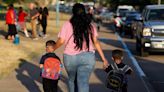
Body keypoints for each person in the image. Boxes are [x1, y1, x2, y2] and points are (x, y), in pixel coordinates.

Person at [53, 3, 109, 92]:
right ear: (84, 11)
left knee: (72, 80)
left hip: (70, 58)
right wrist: (103, 59)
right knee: (83, 82)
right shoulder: (90, 26)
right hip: (88, 57)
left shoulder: (67, 24)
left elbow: (61, 41)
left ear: (73, 12)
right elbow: (96, 42)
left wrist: (52, 49)